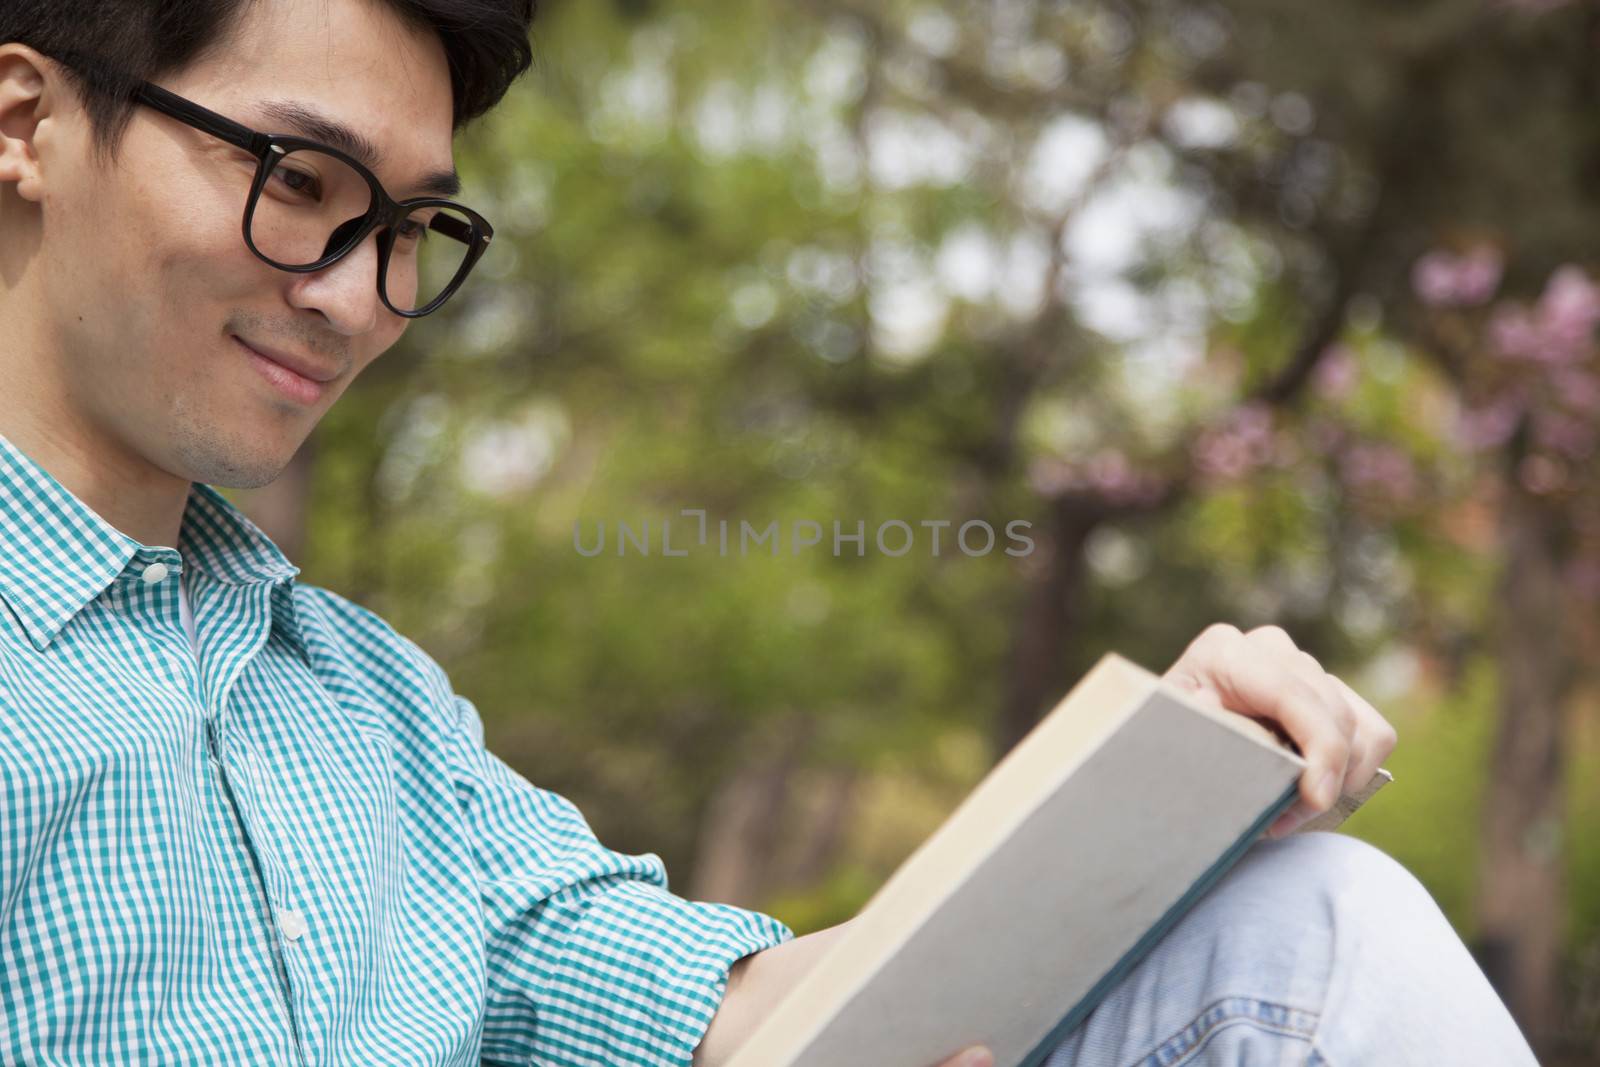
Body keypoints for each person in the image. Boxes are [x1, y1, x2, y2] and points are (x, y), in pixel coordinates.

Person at [0, 2, 1539, 1065]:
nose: (355, 294)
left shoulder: (361, 702)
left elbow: (731, 1015)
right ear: (27, 122)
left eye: (410, 231)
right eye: (300, 180)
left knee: (1307, 933)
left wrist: (1143, 811)